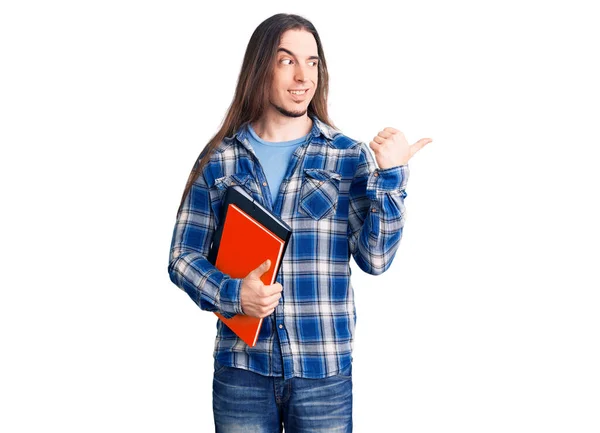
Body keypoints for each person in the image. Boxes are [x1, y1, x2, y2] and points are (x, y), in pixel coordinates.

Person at [167, 13, 432, 432]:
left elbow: (376, 258)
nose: (302, 76)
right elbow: (182, 257)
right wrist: (234, 294)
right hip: (241, 371)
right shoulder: (221, 159)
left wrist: (391, 177)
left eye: (312, 62)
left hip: (322, 371)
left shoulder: (347, 156)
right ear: (261, 67)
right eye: (286, 60)